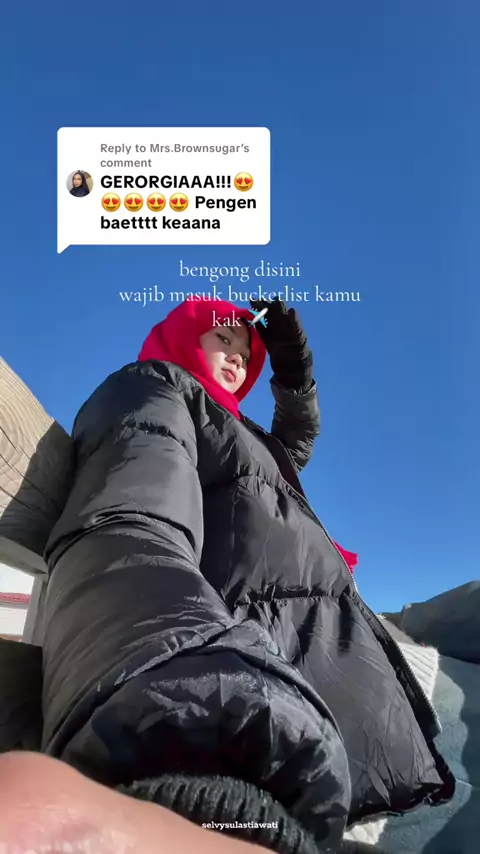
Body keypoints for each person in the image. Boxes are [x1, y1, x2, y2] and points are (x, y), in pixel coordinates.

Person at [36, 296, 454, 853]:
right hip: (271, 717)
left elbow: (294, 441)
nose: (238, 357)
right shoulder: (153, 390)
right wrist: (187, 728)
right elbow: (130, 526)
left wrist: (293, 372)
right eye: (223, 339)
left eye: (247, 353)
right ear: (183, 335)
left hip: (350, 695)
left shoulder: (236, 431)